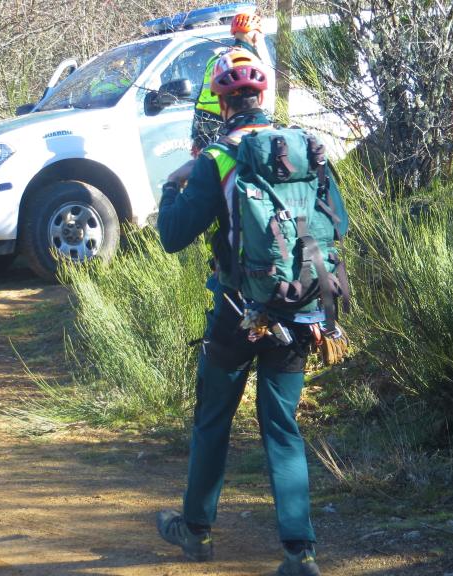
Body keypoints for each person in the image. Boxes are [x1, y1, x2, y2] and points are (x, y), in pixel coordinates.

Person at [155, 49, 323, 576]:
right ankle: (301, 553)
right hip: (300, 308)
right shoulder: (305, 148)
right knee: (282, 429)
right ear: (264, 97)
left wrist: (171, 185)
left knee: (213, 421)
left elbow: (172, 237)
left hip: (238, 313)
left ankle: (197, 531)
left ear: (221, 102)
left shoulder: (216, 159)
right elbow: (331, 225)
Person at [190, 11, 266, 156]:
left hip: (203, 125)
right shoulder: (247, 60)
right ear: (255, 35)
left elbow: (200, 97)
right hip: (231, 125)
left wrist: (196, 137)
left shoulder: (217, 59)